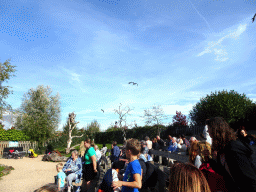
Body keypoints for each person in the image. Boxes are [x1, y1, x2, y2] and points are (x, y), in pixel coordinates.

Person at [205, 117, 256, 192]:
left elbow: (249, 177)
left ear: (215, 129)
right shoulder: (222, 148)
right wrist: (208, 159)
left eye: (208, 128)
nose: (207, 131)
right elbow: (222, 171)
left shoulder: (233, 147)